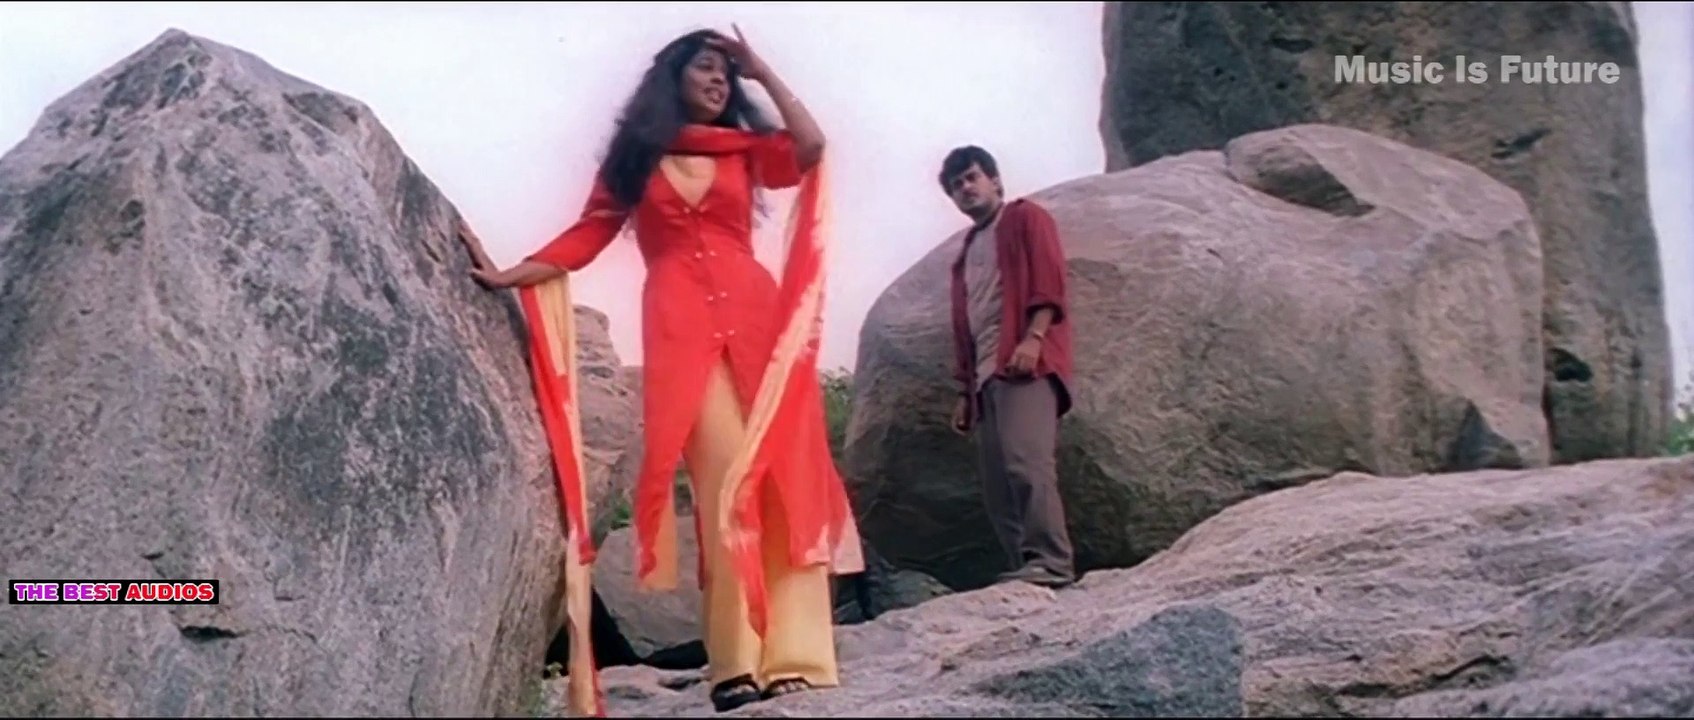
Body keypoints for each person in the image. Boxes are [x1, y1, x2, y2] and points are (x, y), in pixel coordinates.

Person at [456, 26, 863, 714]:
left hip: (761, 325)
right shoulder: (636, 158)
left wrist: (762, 70)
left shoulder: (745, 151)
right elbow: (589, 232)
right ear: (672, 76)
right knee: (723, 481)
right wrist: (508, 273)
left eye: (726, 73)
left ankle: (796, 657)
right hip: (680, 331)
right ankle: (735, 663)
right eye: (706, 67)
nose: (718, 80)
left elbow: (812, 148)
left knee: (783, 484)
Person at [938, 145, 1078, 590]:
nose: (965, 188)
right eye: (956, 185)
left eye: (972, 177)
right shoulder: (964, 254)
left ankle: (1053, 561)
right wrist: (965, 391)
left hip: (1024, 365)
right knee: (998, 485)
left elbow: (1049, 283)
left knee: (1026, 463)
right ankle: (1025, 569)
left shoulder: (1025, 218)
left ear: (994, 181)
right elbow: (967, 324)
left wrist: (1033, 339)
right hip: (984, 379)